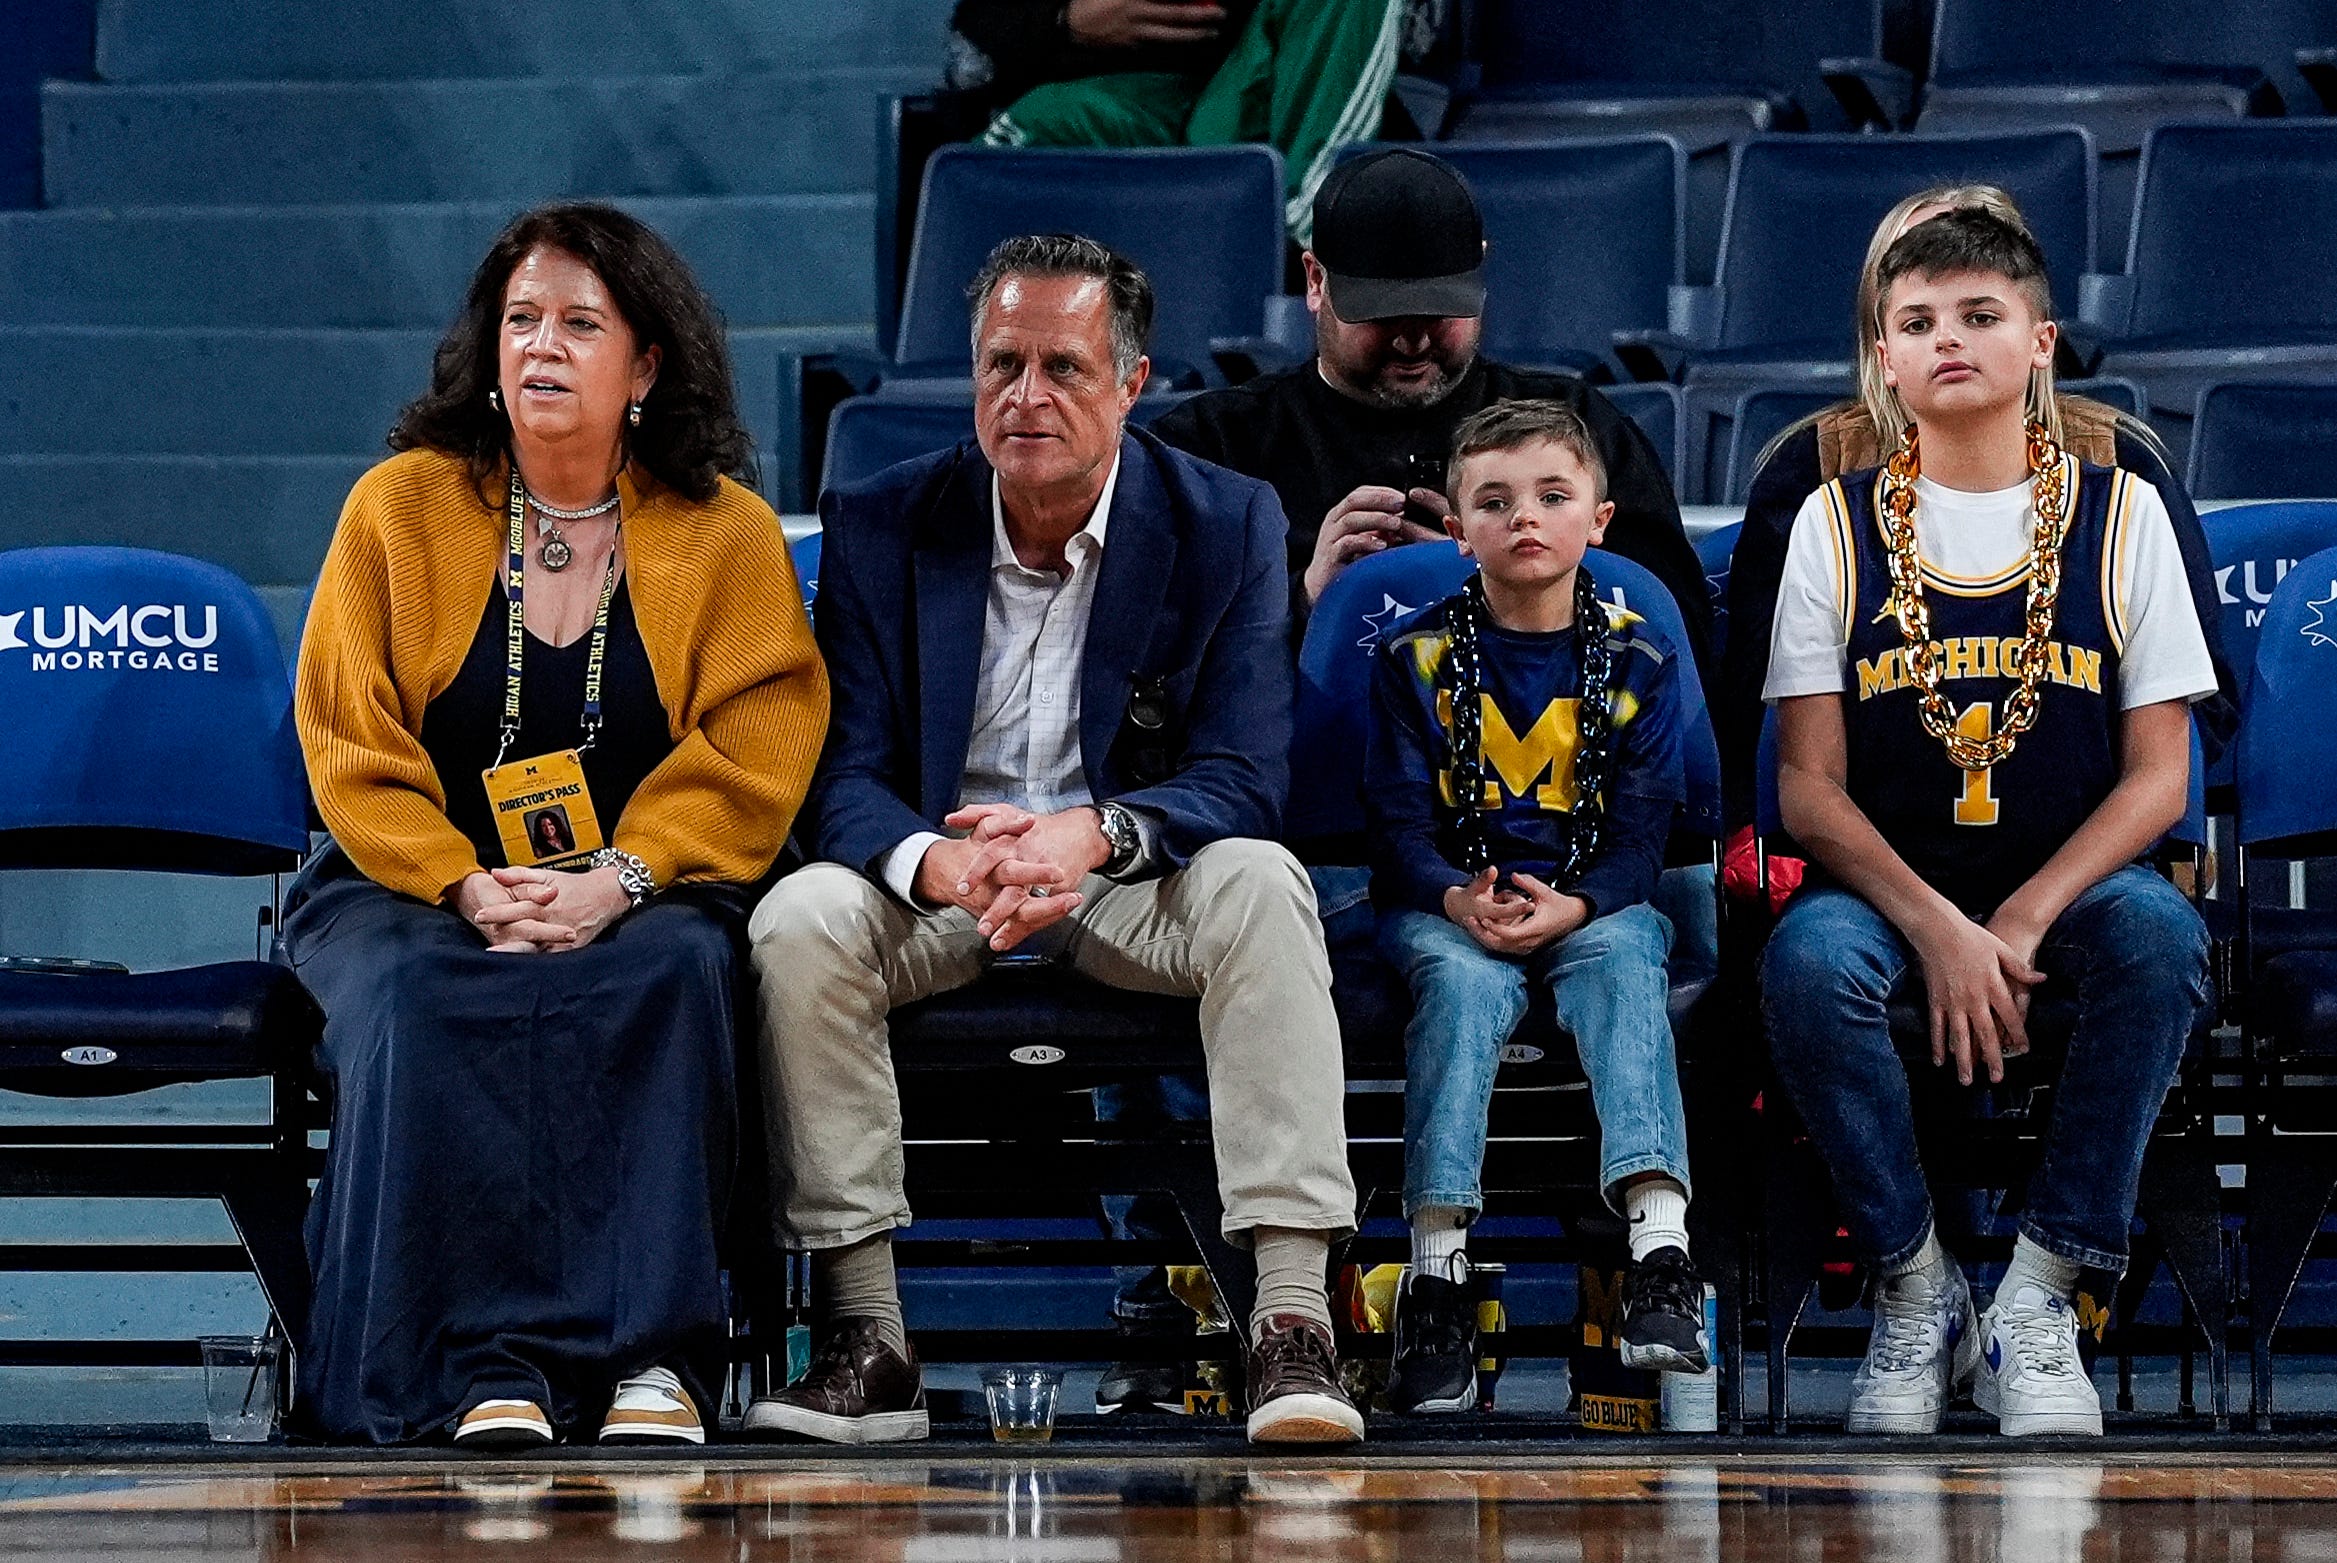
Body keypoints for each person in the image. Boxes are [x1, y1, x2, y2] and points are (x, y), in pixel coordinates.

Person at [744, 233, 1366, 1447]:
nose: (1027, 400)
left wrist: (1098, 835)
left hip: (1122, 879)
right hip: (947, 883)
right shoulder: (879, 521)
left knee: (1263, 885)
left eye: (1064, 369)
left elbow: (1244, 776)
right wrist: (936, 861)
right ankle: (868, 1339)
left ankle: (1293, 1327)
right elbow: (844, 774)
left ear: (1131, 385)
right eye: (1002, 366)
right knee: (796, 918)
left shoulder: (1226, 520)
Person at [286, 203, 828, 1447]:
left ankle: (654, 1367)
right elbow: (347, 738)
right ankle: (472, 1372)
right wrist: (464, 885)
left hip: (647, 882)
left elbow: (760, 739)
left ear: (646, 366)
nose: (542, 346)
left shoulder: (725, 532)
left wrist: (622, 877)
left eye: (581, 324)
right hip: (405, 881)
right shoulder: (399, 509)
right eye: (521, 320)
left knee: (677, 975)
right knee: (429, 998)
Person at [1759, 208, 2215, 1437]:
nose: (1948, 340)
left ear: (2041, 342)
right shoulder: (1832, 523)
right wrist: (1937, 928)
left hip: (2066, 883)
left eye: (1979, 315)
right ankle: (1917, 1293)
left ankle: (2037, 1296)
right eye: (1917, 324)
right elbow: (1808, 788)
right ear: (1885, 361)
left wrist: (2016, 915)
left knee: (2163, 943)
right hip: (1885, 887)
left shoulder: (2125, 513)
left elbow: (2160, 778)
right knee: (1805, 969)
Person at [1717, 183, 2241, 857]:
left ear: (2033, 322)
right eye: (1918, 303)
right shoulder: (1812, 462)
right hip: (1865, 848)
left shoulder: (2119, 458)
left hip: (2091, 843)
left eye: (1977, 304)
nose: (1949, 332)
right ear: (1881, 330)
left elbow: (2204, 703)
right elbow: (1756, 712)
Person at [1367, 399, 1707, 1413]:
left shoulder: (1641, 657)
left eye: (1553, 496)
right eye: (1495, 501)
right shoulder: (1413, 661)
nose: (1526, 518)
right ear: (1459, 527)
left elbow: (1647, 835)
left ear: (1598, 518)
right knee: (1461, 988)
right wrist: (1449, 896)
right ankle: (1437, 1272)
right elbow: (1393, 827)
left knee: (1622, 964)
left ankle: (1660, 1252)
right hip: (1448, 901)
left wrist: (1580, 904)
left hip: (1592, 901)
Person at [1151, 146, 1710, 675]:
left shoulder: (1571, 431)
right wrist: (1300, 599)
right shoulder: (1213, 448)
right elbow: (1143, 651)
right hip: (1294, 765)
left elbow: (1676, 633)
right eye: (1384, 316)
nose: (1413, 342)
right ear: (1316, 281)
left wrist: (1505, 576)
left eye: (1439, 312)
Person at [947, 0, 1407, 244]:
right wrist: (1064, 21)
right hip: (1124, 102)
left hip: (1260, 103)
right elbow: (970, 52)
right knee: (1025, 133)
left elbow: (1421, 40)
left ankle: (1306, 245)